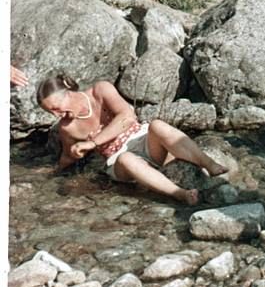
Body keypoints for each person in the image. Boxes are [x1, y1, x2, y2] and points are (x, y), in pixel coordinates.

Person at [36, 74, 228, 205]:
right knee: (126, 158)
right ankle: (180, 194)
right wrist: (54, 172)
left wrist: (93, 143)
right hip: (118, 161)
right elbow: (68, 157)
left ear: (68, 93)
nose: (55, 115)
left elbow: (127, 117)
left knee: (158, 125)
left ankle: (209, 164)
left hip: (143, 139)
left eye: (56, 107)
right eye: (50, 112)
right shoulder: (66, 127)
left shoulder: (100, 91)